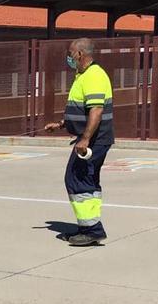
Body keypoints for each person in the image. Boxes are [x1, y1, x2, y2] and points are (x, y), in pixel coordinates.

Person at [43, 38, 114, 246]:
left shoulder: (94, 75)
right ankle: (87, 227)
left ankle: (92, 230)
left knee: (77, 179)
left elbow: (96, 109)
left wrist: (85, 139)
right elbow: (82, 109)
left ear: (80, 54)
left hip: (94, 140)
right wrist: (62, 124)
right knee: (85, 180)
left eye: (71, 53)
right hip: (92, 139)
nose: (69, 57)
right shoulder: (82, 75)